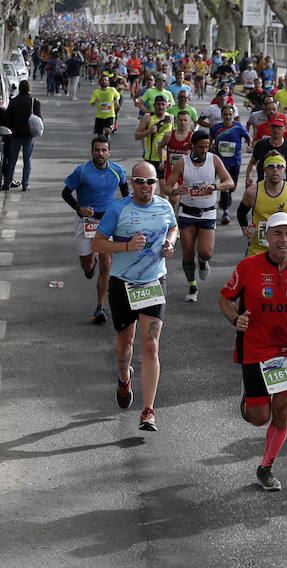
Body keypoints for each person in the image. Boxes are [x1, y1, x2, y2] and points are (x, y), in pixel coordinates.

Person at [219, 211, 287, 491]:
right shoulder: (248, 266)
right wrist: (235, 319)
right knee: (260, 418)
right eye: (277, 234)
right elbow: (225, 297)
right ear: (267, 237)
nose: (284, 239)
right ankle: (249, 401)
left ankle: (266, 466)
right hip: (254, 348)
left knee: (284, 410)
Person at [92, 161, 178, 432]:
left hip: (153, 282)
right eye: (140, 181)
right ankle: (123, 377)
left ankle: (148, 411)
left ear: (156, 183)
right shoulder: (119, 209)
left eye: (151, 182)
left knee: (151, 346)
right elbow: (97, 242)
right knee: (124, 344)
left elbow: (173, 227)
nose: (146, 187)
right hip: (122, 284)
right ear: (132, 183)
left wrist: (169, 243)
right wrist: (126, 246)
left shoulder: (165, 207)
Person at [61, 136, 129, 323]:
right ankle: (91, 264)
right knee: (88, 266)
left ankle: (100, 307)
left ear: (109, 152)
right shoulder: (82, 171)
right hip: (85, 221)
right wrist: (78, 208)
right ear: (92, 152)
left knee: (107, 266)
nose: (100, 153)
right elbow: (65, 193)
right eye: (97, 150)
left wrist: (124, 210)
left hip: (107, 222)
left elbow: (125, 192)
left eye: (104, 150)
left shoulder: (117, 170)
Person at [163, 131, 234, 302]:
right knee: (187, 251)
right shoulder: (182, 163)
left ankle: (203, 262)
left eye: (207, 146)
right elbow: (166, 186)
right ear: (192, 146)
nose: (204, 149)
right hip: (187, 212)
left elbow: (229, 182)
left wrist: (215, 187)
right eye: (201, 146)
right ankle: (192, 286)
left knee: (206, 252)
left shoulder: (214, 160)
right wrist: (174, 190)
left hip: (207, 213)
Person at [238, 153, 287, 258]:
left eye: (279, 166)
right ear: (265, 170)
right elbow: (241, 212)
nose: (275, 170)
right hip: (257, 249)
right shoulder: (252, 192)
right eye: (271, 166)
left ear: (285, 170)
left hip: (283, 250)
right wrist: (244, 227)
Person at [209, 104, 250, 224]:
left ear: (233, 116)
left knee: (232, 187)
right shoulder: (215, 128)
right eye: (225, 114)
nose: (227, 117)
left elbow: (248, 138)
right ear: (221, 115)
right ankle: (225, 212)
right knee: (225, 187)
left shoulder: (239, 127)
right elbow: (210, 141)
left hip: (235, 161)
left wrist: (250, 145)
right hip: (221, 162)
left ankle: (225, 199)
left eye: (230, 114)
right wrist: (211, 146)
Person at [2, 80, 40, 191]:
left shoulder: (13, 102)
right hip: (29, 135)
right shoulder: (34, 102)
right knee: (27, 160)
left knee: (12, 159)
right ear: (28, 89)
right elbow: (39, 119)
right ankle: (25, 184)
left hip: (15, 135)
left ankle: (7, 183)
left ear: (19, 88)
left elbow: (7, 119)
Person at [134, 94, 174, 180]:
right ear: (154, 105)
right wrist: (149, 131)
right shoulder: (148, 117)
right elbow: (137, 136)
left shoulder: (170, 118)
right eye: (158, 104)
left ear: (167, 105)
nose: (160, 107)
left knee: (165, 186)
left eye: (163, 104)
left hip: (167, 159)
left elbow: (173, 137)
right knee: (149, 186)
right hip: (151, 159)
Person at [89, 70, 120, 138]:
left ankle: (107, 137)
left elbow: (117, 96)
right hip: (100, 116)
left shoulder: (112, 90)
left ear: (108, 82)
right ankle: (104, 141)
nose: (104, 81)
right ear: (100, 82)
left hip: (110, 115)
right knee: (99, 135)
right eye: (102, 80)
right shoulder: (96, 92)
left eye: (106, 80)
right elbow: (91, 103)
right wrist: (95, 101)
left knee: (108, 130)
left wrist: (116, 101)